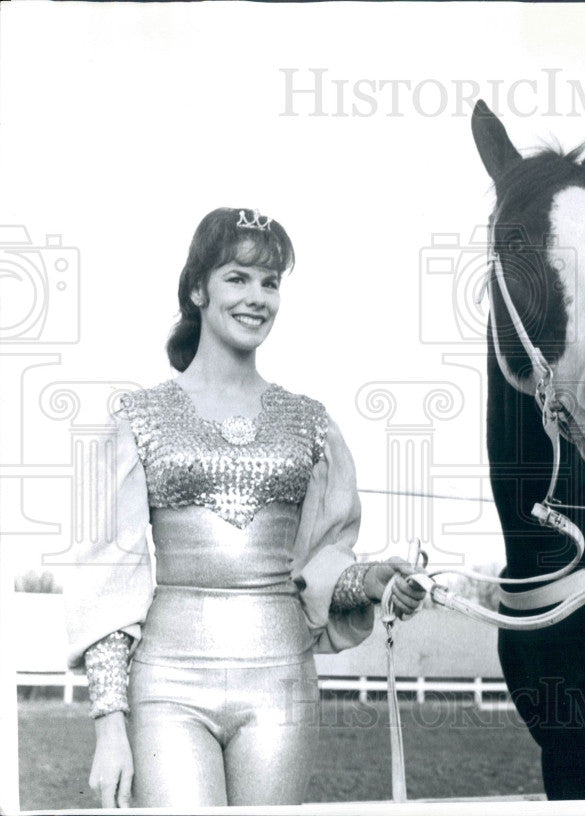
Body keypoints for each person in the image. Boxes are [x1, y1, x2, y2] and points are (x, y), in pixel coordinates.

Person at [65, 207, 425, 808]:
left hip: (281, 687)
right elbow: (109, 575)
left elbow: (319, 570)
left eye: (271, 282)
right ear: (198, 287)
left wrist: (372, 580)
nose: (257, 297)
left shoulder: (311, 424)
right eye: (238, 277)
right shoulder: (138, 418)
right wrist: (109, 727)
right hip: (166, 686)